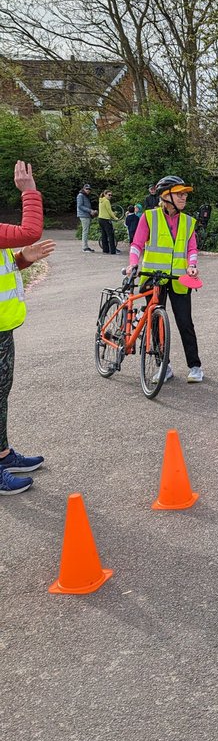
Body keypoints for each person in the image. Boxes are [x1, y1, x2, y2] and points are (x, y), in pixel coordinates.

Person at [0, 161, 54, 495]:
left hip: (3, 327)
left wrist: (23, 259)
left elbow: (7, 265)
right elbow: (30, 230)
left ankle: (3, 455)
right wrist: (29, 191)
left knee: (1, 393)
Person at [129, 175, 204, 384]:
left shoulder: (188, 221)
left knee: (185, 322)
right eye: (179, 194)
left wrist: (192, 265)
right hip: (153, 278)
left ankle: (195, 366)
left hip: (179, 278)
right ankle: (164, 365)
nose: (184, 197)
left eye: (185, 194)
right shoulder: (149, 217)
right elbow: (137, 244)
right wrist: (132, 264)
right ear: (166, 195)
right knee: (155, 323)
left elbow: (192, 248)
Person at [76, 183, 96, 252]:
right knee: (85, 231)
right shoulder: (80, 195)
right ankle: (85, 247)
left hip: (86, 215)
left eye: (89, 189)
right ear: (83, 189)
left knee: (86, 231)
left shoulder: (85, 196)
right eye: (86, 189)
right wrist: (90, 210)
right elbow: (80, 206)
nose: (88, 190)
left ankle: (86, 246)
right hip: (83, 215)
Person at [97, 190, 118, 255]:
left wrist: (112, 214)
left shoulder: (101, 200)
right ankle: (113, 251)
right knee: (110, 235)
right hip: (106, 220)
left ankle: (105, 250)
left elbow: (105, 211)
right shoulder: (106, 201)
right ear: (105, 194)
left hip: (100, 219)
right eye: (109, 195)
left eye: (111, 195)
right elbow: (109, 211)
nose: (110, 196)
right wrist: (115, 218)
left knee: (104, 235)